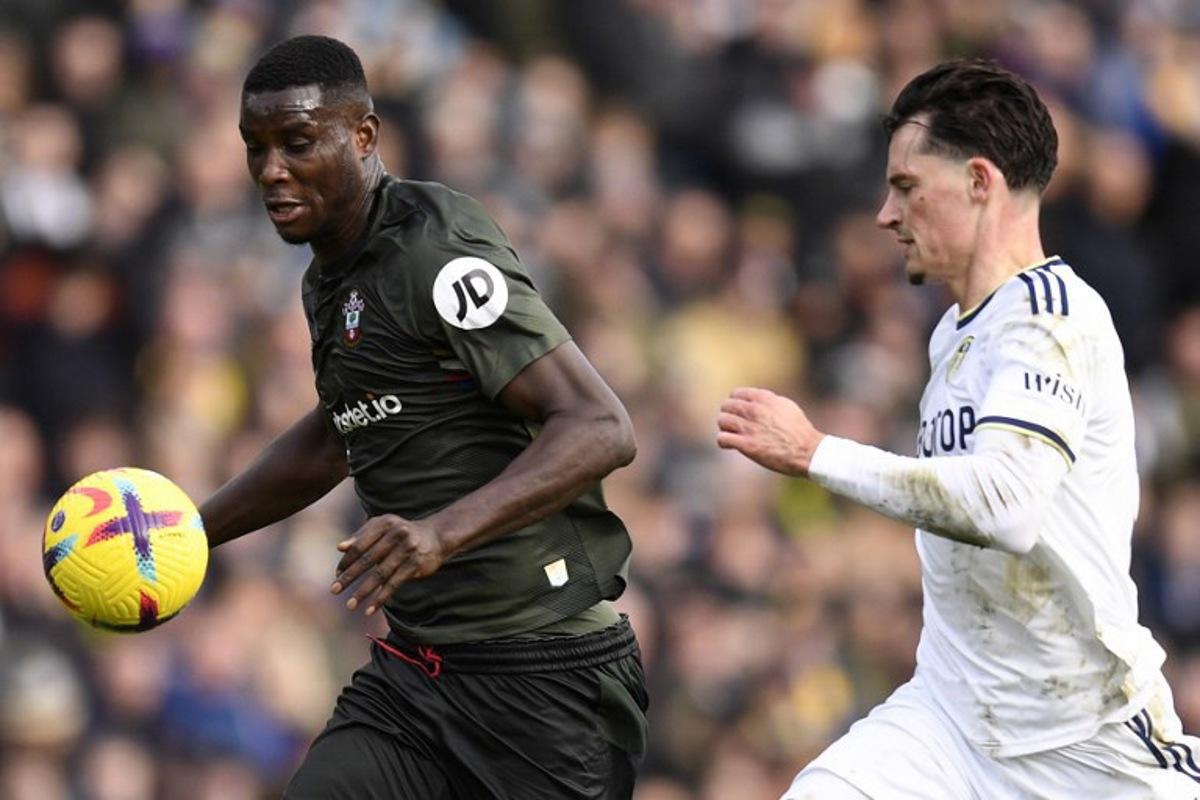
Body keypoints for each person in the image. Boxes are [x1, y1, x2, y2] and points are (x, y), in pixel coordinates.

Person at [718, 59, 1200, 799]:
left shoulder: (1052, 319)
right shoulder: (954, 335)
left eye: (907, 187)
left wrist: (818, 454)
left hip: (1084, 742)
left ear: (980, 182)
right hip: (949, 719)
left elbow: (1005, 507)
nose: (886, 213)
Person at [199, 35, 648, 799]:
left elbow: (599, 425)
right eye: (257, 148)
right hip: (417, 679)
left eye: (298, 143)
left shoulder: (435, 250)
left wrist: (438, 532)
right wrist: (186, 536)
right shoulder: (330, 270)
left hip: (546, 685)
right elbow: (339, 429)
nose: (272, 170)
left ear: (364, 136)